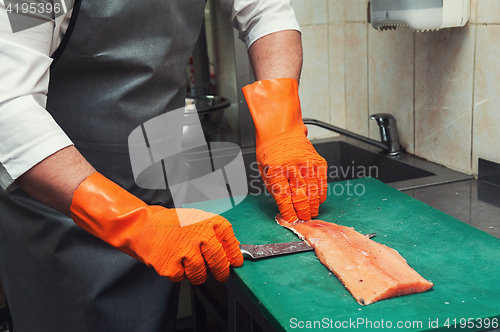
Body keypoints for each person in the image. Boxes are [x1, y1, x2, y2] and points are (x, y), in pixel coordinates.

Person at [0, 0, 327, 330]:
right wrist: (133, 224)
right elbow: (8, 106)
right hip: (62, 216)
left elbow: (265, 10)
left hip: (159, 194)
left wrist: (280, 124)